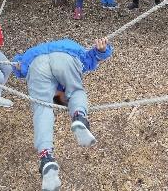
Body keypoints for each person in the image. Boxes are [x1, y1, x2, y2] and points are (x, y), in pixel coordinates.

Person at [12, 37, 113, 191]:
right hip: (63, 56)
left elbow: (18, 64)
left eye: (63, 99)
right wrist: (102, 51)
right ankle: (78, 115)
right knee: (75, 91)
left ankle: (46, 156)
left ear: (57, 94)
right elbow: (93, 57)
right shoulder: (70, 56)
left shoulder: (49, 82)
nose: (65, 97)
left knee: (42, 109)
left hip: (36, 62)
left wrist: (18, 66)